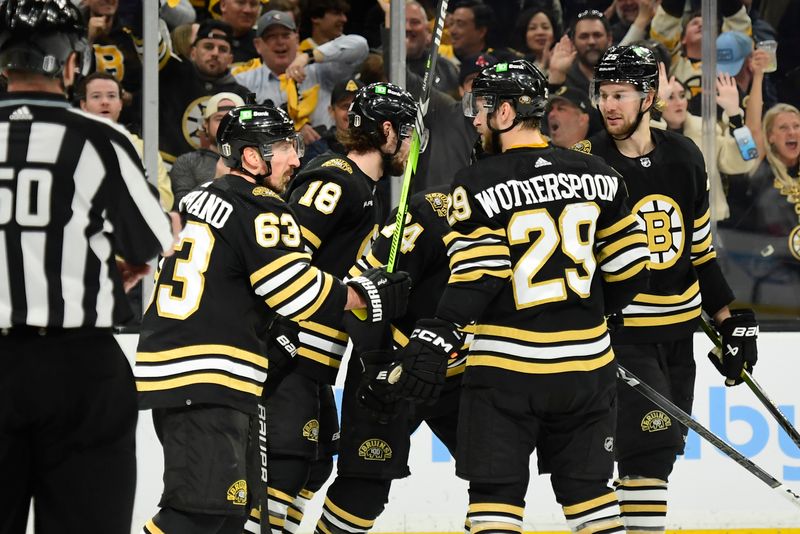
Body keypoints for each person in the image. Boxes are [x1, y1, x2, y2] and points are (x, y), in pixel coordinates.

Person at [397, 59, 652, 533]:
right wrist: (589, 315)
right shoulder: (599, 172)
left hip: (507, 372)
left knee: (497, 497)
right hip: (586, 367)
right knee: (592, 495)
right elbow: (632, 269)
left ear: (508, 113)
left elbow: (479, 276)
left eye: (483, 107)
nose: (474, 118)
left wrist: (437, 333)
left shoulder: (476, 183)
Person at [136, 103, 410, 534]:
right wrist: (364, 295)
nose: (297, 160)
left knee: (229, 515)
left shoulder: (196, 198)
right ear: (251, 157)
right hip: (210, 374)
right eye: (286, 147)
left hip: (183, 370)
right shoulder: (260, 206)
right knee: (197, 514)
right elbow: (294, 291)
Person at [0, 1, 178, 533]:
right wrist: (119, 261)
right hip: (79, 367)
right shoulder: (99, 138)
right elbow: (150, 239)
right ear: (74, 63)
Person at [579, 45, 759, 533]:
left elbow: (700, 255)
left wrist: (729, 323)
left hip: (679, 337)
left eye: (621, 94)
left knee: (657, 457)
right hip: (620, 335)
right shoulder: (585, 163)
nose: (609, 105)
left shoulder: (684, 156)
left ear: (649, 96)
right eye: (603, 94)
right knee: (648, 445)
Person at [239, 83, 418, 534]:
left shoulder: (364, 190)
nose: (413, 145)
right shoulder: (336, 179)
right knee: (285, 470)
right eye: (409, 133)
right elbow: (282, 255)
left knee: (314, 468)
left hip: (316, 362)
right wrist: (276, 330)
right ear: (388, 131)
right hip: (290, 354)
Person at [313, 186, 462, 533]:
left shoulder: (520, 211)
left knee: (497, 481)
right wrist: (375, 360)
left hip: (465, 373)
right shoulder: (427, 214)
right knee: (364, 492)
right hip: (395, 369)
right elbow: (358, 296)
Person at [234, 10, 368, 145]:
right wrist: (293, 131)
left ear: (297, 39)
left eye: (286, 35)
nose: (280, 41)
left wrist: (308, 56)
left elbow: (360, 46)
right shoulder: (244, 81)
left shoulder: (321, 71)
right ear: (258, 45)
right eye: (271, 36)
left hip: (327, 154)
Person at [155, 18, 251, 165]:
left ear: (231, 59)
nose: (215, 53)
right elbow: (149, 42)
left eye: (223, 49)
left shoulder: (242, 96)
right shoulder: (171, 73)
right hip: (164, 169)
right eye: (208, 46)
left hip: (219, 175)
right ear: (193, 52)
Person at [77, 71, 174, 210]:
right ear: (84, 105)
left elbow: (165, 199)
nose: (105, 102)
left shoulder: (143, 149)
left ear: (120, 104)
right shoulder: (68, 143)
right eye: (96, 96)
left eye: (111, 96)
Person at [169, 91, 246, 205]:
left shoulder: (261, 162)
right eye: (220, 119)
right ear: (205, 124)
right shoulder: (187, 162)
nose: (227, 125)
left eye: (233, 119)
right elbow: (182, 207)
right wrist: (218, 182)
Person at [511, 7, 560, 74]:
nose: (540, 32)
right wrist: (543, 65)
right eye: (532, 28)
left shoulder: (566, 63)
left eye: (545, 27)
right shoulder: (519, 66)